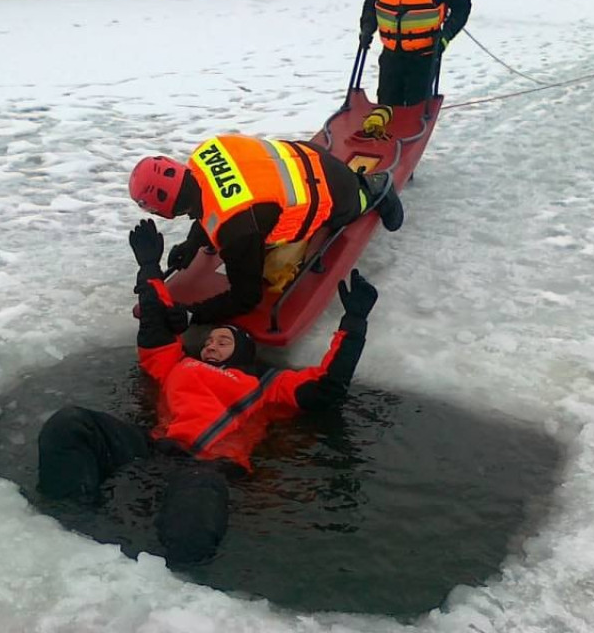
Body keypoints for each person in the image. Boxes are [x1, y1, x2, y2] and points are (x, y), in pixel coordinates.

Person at [35, 219, 380, 565]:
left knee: (196, 510)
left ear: (244, 351)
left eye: (223, 341)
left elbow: (327, 387)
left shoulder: (268, 384)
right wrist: (149, 267)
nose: (211, 346)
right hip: (153, 447)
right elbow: (154, 321)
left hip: (209, 466)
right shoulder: (175, 363)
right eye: (210, 340)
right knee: (69, 424)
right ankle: (69, 524)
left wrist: (354, 324)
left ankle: (178, 582)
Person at [128, 135, 402, 323]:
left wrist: (191, 314)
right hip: (307, 155)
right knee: (254, 225)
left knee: (270, 272)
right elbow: (213, 197)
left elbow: (246, 298)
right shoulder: (206, 151)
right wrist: (192, 244)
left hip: (336, 193)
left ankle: (376, 187)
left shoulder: (235, 229)